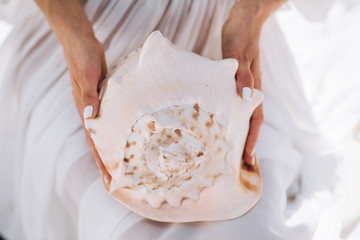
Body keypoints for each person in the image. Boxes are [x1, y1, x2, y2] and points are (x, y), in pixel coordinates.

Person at [0, 0, 343, 239]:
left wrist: (251, 13)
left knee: (247, 230)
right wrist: (75, 39)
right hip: (77, 32)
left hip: (223, 44)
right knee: (123, 227)